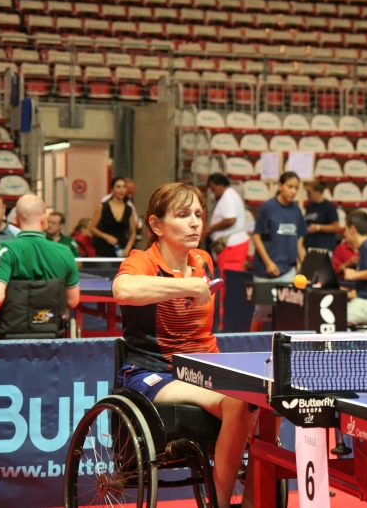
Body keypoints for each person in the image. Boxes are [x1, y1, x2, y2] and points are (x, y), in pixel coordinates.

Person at [112, 182, 253, 508]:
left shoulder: (203, 259)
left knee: (263, 402)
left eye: (199, 214)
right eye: (183, 214)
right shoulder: (143, 260)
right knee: (236, 402)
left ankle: (252, 501)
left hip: (206, 368)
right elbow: (123, 290)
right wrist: (183, 286)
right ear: (156, 225)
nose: (195, 222)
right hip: (155, 372)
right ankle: (219, 504)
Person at [0, 195, 80, 335]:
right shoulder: (65, 252)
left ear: (16, 219)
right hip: (51, 334)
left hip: (9, 335)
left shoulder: (4, 250)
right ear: (43, 219)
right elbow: (73, 301)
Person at [250, 171, 307, 332]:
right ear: (280, 186)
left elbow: (299, 238)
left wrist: (302, 261)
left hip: (288, 270)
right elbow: (256, 237)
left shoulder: (296, 210)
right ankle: (251, 346)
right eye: (290, 186)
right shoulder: (267, 208)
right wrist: (268, 262)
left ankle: (283, 349)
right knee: (261, 313)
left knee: (288, 312)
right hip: (265, 271)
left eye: (296, 188)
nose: (293, 191)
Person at [205, 173, 250, 277]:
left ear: (221, 184)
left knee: (229, 279)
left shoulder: (228, 196)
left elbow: (231, 219)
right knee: (226, 278)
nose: (213, 193)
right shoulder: (230, 195)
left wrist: (211, 228)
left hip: (232, 246)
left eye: (214, 188)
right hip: (231, 245)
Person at [90, 177, 137, 259]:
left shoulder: (129, 209)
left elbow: (133, 233)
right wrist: (106, 236)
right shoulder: (102, 207)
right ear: (112, 190)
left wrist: (128, 248)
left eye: (124, 187)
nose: (121, 190)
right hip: (104, 250)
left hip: (122, 250)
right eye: (118, 187)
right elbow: (91, 228)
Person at [304, 181, 339, 253]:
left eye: (309, 192)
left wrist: (318, 227)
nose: (308, 195)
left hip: (324, 247)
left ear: (318, 192)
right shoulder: (309, 206)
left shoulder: (329, 206)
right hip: (310, 247)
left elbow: (335, 227)